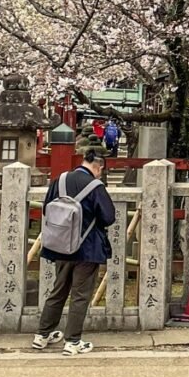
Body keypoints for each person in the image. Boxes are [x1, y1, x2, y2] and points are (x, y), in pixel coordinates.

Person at [33, 150, 115, 356]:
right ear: (99, 167)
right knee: (80, 295)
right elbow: (108, 217)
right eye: (101, 171)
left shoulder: (59, 180)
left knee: (58, 290)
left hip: (59, 246)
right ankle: (73, 341)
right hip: (87, 249)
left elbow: (46, 209)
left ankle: (42, 335)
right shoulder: (96, 187)